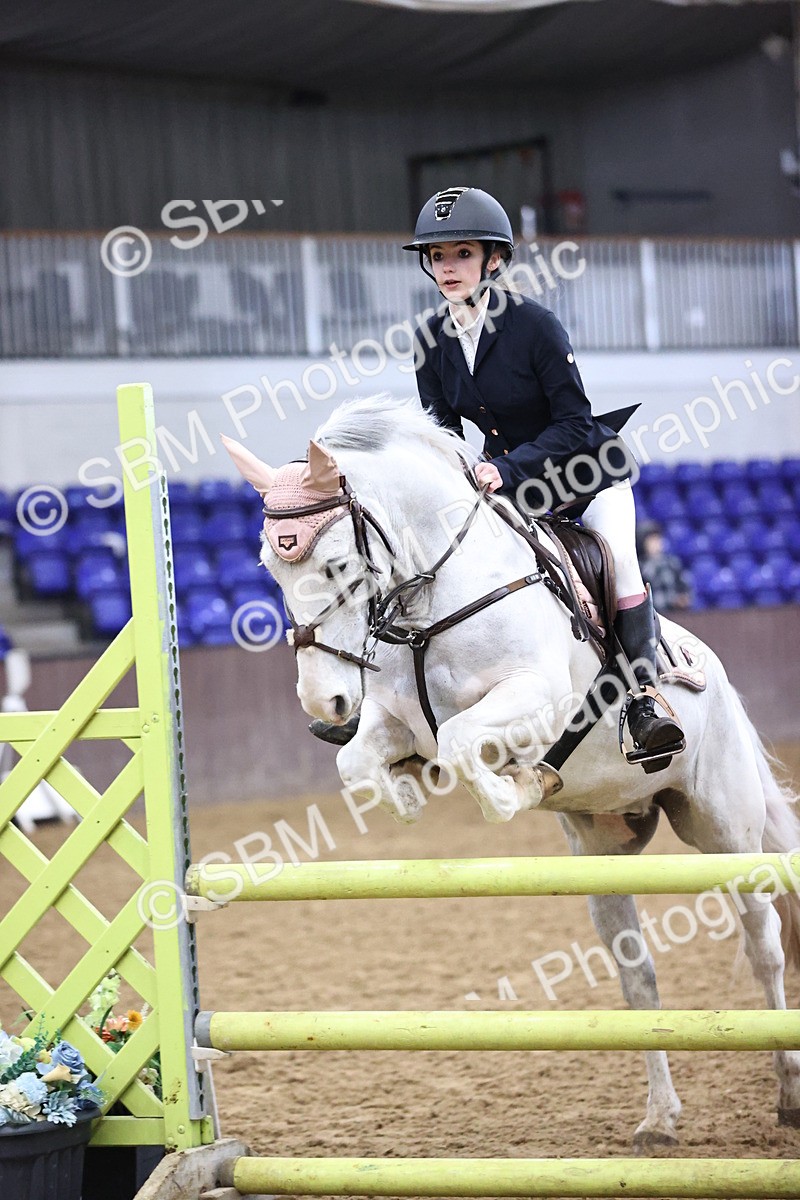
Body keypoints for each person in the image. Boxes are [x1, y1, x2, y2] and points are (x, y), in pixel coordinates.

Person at [400, 185, 685, 767]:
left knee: (619, 559)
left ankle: (644, 699)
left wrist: (502, 469)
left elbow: (575, 422)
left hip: (585, 475)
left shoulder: (535, 325)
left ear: (494, 260)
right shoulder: (431, 340)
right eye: (438, 255)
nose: (448, 267)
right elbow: (440, 431)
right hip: (514, 488)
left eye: (462, 254)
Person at [638, 520, 692, 613]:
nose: (656, 543)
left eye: (657, 539)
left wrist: (683, 598)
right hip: (652, 614)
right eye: (652, 540)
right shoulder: (640, 567)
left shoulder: (672, 563)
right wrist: (671, 601)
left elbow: (685, 587)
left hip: (676, 613)